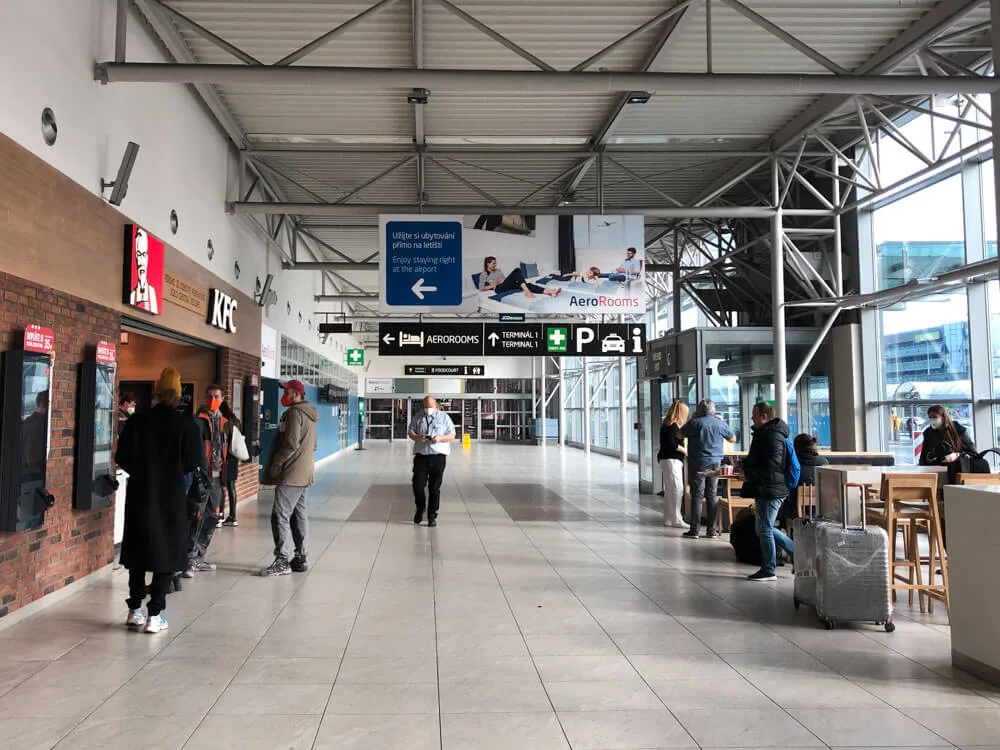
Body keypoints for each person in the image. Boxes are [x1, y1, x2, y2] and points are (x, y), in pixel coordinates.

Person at [115, 368, 201, 633]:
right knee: (168, 550)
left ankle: (134, 609)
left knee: (138, 551)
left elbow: (122, 457)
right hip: (171, 496)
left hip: (141, 493)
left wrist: (143, 471)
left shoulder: (137, 422)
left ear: (156, 392)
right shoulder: (187, 425)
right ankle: (155, 614)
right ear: (177, 395)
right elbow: (193, 461)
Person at [259, 379, 319, 577]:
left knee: (280, 515)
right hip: (304, 473)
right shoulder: (310, 413)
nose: (284, 395)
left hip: (292, 474)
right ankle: (301, 557)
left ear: (296, 393)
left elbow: (291, 444)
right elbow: (313, 445)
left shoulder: (294, 413)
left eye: (287, 391)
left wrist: (276, 464)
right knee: (299, 514)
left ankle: (282, 560)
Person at [742, 402, 795, 582]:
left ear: (764, 416)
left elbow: (772, 464)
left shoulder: (773, 436)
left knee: (764, 528)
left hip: (772, 488)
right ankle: (797, 552)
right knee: (763, 528)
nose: (752, 418)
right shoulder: (764, 435)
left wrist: (749, 473)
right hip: (765, 487)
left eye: (754, 415)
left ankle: (769, 568)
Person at [184, 385, 230, 578]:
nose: (213, 399)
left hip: (218, 478)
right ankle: (188, 559)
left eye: (216, 396)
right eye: (210, 396)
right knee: (197, 517)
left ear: (223, 398)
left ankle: (200, 556)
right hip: (202, 478)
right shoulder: (197, 421)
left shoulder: (226, 423)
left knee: (212, 517)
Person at [681, 399, 736, 538]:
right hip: (715, 463)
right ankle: (711, 530)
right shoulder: (720, 423)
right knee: (712, 495)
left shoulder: (695, 423)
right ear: (714, 410)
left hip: (698, 462)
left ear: (699, 411)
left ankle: (695, 530)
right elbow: (732, 439)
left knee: (697, 495)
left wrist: (692, 419)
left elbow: (679, 435)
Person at [408, 396, 456, 527]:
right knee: (417, 485)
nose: (428, 409)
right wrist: (418, 437)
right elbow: (410, 432)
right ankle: (420, 507)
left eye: (430, 406)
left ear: (435, 405)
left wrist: (440, 438)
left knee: (434, 488)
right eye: (426, 406)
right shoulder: (418, 416)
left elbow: (452, 434)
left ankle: (432, 516)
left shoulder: (444, 417)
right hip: (421, 456)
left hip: (438, 456)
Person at [778, 434, 829, 530]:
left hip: (795, 512)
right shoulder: (824, 463)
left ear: (795, 448)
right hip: (820, 511)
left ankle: (786, 536)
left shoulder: (793, 465)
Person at [657, 400, 688, 528]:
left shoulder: (666, 424)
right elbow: (672, 443)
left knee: (670, 489)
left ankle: (668, 518)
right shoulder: (673, 426)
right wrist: (683, 450)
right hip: (672, 460)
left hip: (665, 459)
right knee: (677, 488)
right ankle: (676, 518)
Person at [479, 256, 562, 299]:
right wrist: (492, 285)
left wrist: (509, 281)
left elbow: (504, 280)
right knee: (517, 270)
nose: (495, 265)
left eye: (495, 263)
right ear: (488, 264)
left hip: (504, 285)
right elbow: (481, 288)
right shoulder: (484, 274)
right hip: (498, 288)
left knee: (527, 284)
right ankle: (526, 291)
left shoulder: (498, 270)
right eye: (493, 263)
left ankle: (549, 292)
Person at [218, 401, 242, 527]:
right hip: (234, 458)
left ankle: (220, 515)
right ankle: (233, 516)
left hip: (224, 456)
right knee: (231, 486)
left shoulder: (223, 422)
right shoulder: (236, 421)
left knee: (220, 485)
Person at [129, 228, 160, 314]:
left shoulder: (152, 294)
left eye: (144, 255)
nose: (141, 262)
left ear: (147, 257)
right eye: (138, 254)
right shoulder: (132, 296)